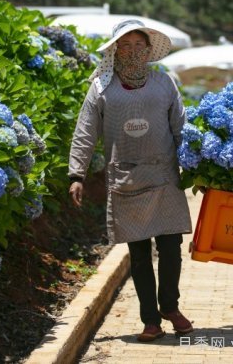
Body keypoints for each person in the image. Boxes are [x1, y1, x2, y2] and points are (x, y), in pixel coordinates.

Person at [68, 19, 193, 342]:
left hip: (164, 177)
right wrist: (76, 174)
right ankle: (150, 320)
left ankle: (170, 306)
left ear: (149, 50)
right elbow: (85, 132)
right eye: (127, 46)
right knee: (139, 255)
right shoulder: (101, 88)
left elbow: (181, 126)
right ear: (115, 51)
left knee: (171, 248)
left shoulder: (164, 84)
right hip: (127, 179)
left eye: (140, 46)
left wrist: (195, 166)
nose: (134, 52)